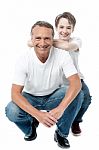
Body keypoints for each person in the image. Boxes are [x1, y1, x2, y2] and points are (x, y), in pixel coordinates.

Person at [5, 21, 84, 149]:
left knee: (78, 94)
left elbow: (76, 83)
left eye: (47, 38)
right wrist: (38, 114)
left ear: (53, 39)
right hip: (30, 97)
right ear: (32, 39)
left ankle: (61, 134)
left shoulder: (62, 55)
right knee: (11, 110)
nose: (42, 43)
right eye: (38, 38)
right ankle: (31, 128)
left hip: (54, 96)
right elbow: (15, 94)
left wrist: (61, 108)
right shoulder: (23, 59)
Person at [53, 12, 92, 136]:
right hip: (59, 82)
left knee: (86, 99)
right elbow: (29, 42)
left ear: (73, 29)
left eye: (68, 28)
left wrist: (50, 41)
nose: (65, 31)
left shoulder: (76, 41)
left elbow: (69, 47)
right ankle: (62, 121)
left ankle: (76, 121)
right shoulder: (50, 42)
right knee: (68, 101)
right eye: (62, 27)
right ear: (57, 28)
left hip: (76, 79)